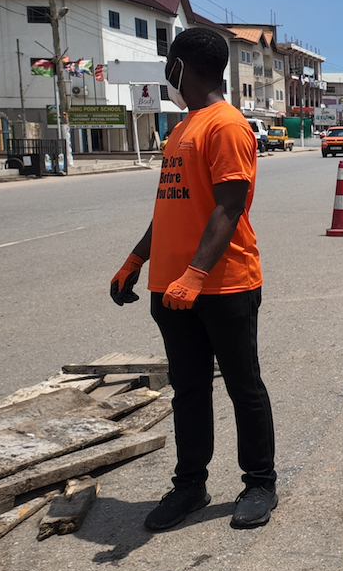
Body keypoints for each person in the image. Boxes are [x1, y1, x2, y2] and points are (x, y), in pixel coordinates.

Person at [108, 27, 277, 531]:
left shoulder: (225, 125)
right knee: (188, 390)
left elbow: (229, 205)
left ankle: (260, 482)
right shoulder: (183, 127)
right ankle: (190, 486)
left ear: (181, 66)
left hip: (224, 285)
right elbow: (171, 207)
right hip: (172, 288)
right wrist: (136, 260)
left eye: (168, 65)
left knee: (244, 387)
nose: (167, 74)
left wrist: (197, 272)